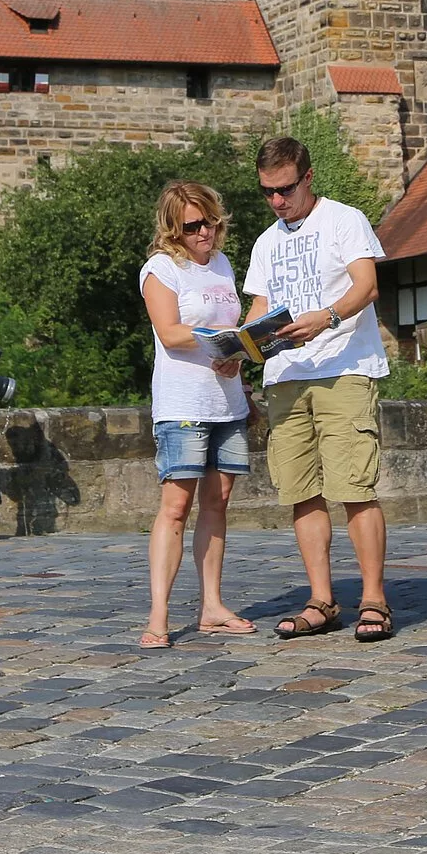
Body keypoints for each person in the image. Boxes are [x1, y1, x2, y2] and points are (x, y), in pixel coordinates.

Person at [243, 136, 393, 643]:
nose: (277, 201)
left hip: (343, 368)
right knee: (301, 492)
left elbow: (367, 286)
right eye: (267, 192)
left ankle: (373, 600)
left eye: (285, 189)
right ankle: (321, 601)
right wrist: (239, 349)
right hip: (285, 377)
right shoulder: (266, 242)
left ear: (308, 177)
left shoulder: (343, 220)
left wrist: (325, 318)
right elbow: (258, 310)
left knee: (354, 487)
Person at [137, 181, 258, 648]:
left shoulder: (223, 265)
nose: (205, 231)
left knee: (217, 503)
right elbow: (170, 333)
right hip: (183, 403)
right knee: (175, 508)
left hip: (226, 399)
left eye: (211, 220)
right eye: (193, 225)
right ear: (173, 227)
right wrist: (222, 339)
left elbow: (234, 331)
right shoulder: (162, 269)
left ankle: (212, 605)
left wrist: (241, 352)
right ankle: (159, 616)